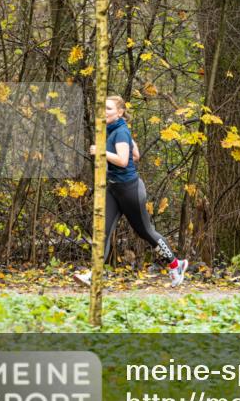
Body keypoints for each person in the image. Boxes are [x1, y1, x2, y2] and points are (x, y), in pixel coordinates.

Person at [74, 95, 188, 287]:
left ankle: (176, 264)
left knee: (146, 232)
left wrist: (102, 151)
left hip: (130, 190)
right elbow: (135, 155)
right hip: (114, 189)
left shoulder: (120, 132)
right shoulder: (113, 129)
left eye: (109, 109)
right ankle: (95, 275)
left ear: (119, 112)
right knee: (102, 231)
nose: (104, 112)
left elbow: (122, 160)